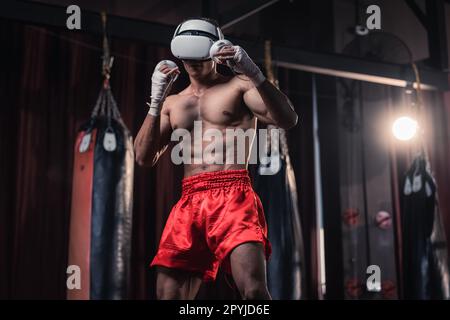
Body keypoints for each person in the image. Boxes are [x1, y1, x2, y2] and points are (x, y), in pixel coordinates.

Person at [134, 17, 298, 300]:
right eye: (187, 59)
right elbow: (143, 157)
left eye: (198, 57)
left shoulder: (239, 86)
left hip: (233, 195)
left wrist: (255, 74)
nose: (193, 64)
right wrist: (156, 101)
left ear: (213, 52)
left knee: (254, 291)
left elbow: (287, 119)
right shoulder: (172, 102)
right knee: (168, 294)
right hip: (190, 200)